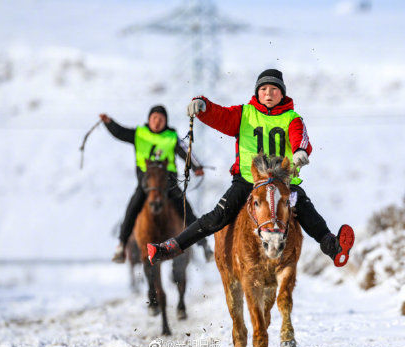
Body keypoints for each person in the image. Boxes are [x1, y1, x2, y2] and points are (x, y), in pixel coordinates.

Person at [147, 69, 355, 267]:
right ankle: (171, 247)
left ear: (282, 93)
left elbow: (299, 137)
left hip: (282, 183)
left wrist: (300, 151)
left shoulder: (292, 118)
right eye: (263, 89)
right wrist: (203, 106)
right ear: (257, 92)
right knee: (217, 217)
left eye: (274, 89)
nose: (268, 94)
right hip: (247, 180)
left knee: (305, 209)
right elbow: (221, 116)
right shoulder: (244, 113)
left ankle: (333, 247)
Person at [100, 105, 213, 263]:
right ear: (149, 119)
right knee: (132, 208)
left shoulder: (171, 136)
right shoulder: (139, 133)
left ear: (166, 121)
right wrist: (109, 123)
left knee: (186, 209)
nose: (157, 121)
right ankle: (121, 245)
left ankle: (204, 245)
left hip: (168, 183)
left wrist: (196, 167)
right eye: (154, 118)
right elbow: (120, 132)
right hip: (146, 183)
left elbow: (185, 152)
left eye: (161, 119)